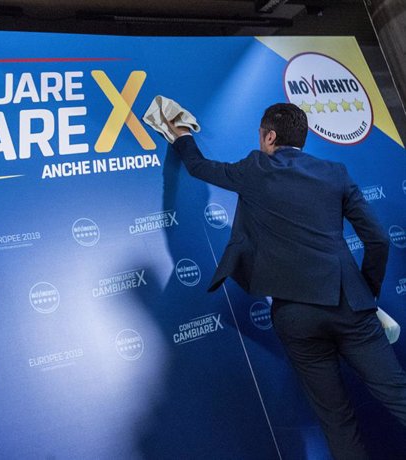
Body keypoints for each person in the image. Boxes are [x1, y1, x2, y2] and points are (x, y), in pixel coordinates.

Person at [170, 103, 406, 459]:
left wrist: (182, 135)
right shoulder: (335, 172)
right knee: (399, 395)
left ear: (269, 136)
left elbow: (199, 167)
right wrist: (365, 294)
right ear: (302, 139)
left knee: (336, 419)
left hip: (295, 316)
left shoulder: (254, 168)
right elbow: (378, 240)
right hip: (351, 305)